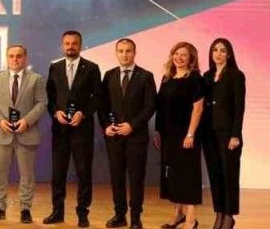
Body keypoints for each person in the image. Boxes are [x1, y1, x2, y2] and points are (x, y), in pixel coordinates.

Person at [44, 30, 101, 227]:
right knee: (58, 172)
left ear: (80, 45)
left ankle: (83, 213)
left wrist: (83, 113)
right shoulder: (55, 67)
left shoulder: (92, 68)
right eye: (67, 43)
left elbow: (98, 97)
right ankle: (57, 212)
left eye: (74, 43)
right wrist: (56, 112)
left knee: (83, 172)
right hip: (60, 130)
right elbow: (49, 97)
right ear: (62, 45)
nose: (70, 46)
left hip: (82, 129)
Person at [98, 38, 156, 229]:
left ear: (134, 52)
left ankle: (136, 218)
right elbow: (102, 105)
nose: (124, 54)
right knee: (117, 178)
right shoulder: (109, 75)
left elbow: (149, 107)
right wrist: (106, 126)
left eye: (128, 51)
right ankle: (119, 215)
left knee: (136, 179)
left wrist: (132, 125)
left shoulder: (146, 76)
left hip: (136, 137)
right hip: (114, 137)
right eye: (121, 51)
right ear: (116, 53)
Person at [0, 43, 47, 224]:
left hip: (27, 133)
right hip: (3, 134)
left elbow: (42, 103)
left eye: (19, 56)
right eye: (11, 56)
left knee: (27, 175)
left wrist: (27, 121)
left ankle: (25, 209)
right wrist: (0, 121)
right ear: (7, 58)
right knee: (1, 173)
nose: (15, 59)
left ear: (25, 58)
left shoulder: (36, 79)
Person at [153, 42, 205, 229]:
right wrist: (158, 131)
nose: (179, 57)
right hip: (168, 135)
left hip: (186, 135)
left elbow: (198, 108)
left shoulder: (195, 78)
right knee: (173, 176)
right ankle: (178, 215)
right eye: (176, 53)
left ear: (191, 59)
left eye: (184, 55)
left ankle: (191, 220)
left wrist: (190, 134)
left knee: (187, 177)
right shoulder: (167, 78)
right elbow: (160, 107)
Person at [200, 39, 244, 229]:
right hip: (208, 132)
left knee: (229, 175)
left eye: (222, 50)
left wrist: (236, 135)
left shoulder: (236, 75)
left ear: (229, 54)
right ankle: (218, 213)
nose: (218, 53)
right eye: (215, 50)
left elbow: (239, 107)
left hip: (227, 134)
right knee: (215, 175)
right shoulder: (207, 75)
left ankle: (228, 215)